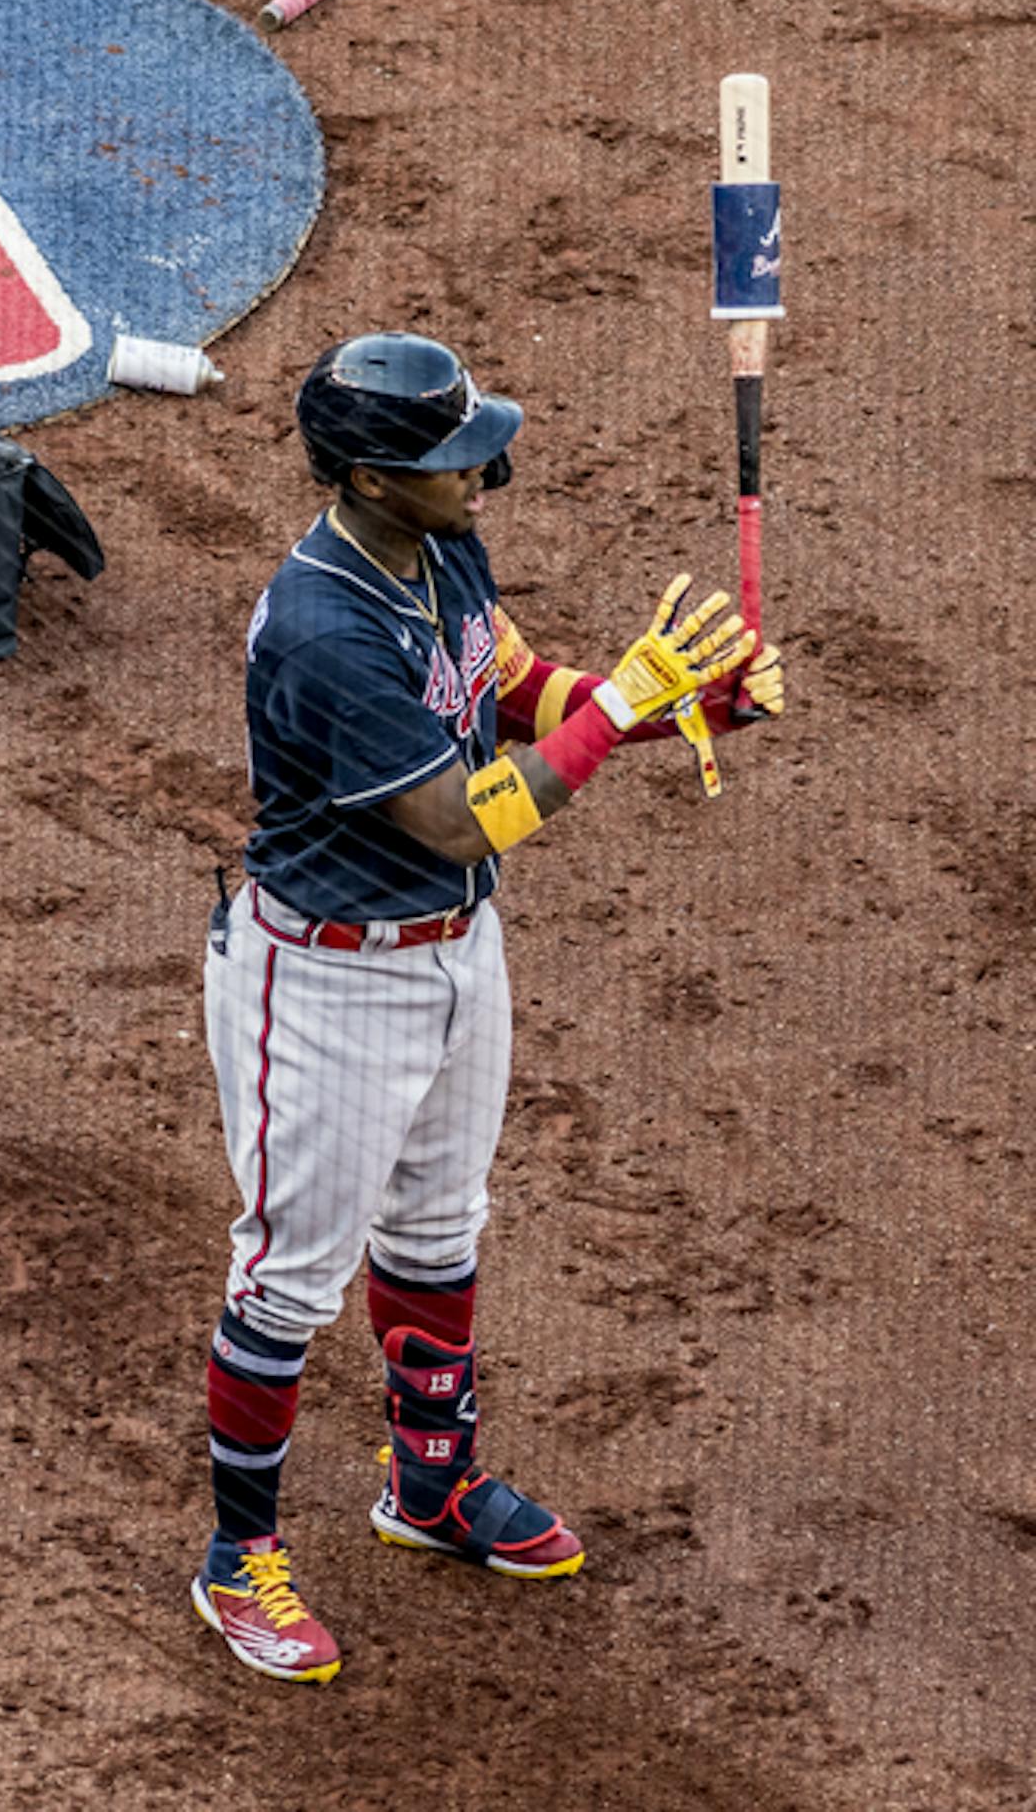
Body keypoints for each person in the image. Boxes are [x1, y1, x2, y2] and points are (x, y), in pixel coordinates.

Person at [189, 332, 785, 1684]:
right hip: (325, 982)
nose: (481, 474)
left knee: (440, 1229)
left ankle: (432, 1489)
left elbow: (511, 689)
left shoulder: (439, 545)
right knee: (289, 1280)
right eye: (448, 459)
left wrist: (680, 704)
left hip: (458, 955)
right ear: (368, 478)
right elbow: (461, 816)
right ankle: (239, 1564)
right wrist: (622, 707)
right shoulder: (324, 623)